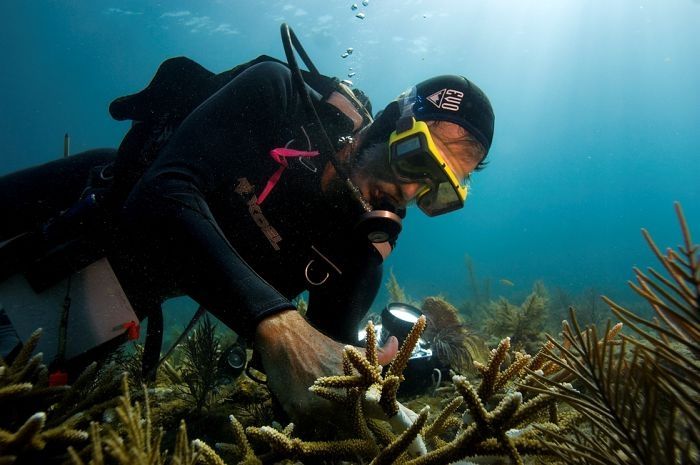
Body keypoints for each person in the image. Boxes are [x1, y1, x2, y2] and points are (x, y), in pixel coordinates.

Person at [0, 31, 494, 432]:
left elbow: (310, 380)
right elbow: (159, 198)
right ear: (394, 118)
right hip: (81, 202)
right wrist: (276, 323)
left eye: (437, 190)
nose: (409, 190)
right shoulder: (278, 95)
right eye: (417, 158)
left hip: (122, 294)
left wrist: (374, 377)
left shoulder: (362, 246)